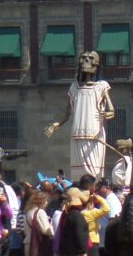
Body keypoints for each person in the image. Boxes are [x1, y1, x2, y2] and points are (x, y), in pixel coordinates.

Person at [45, 50, 116, 180]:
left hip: (94, 133)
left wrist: (106, 114)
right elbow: (67, 114)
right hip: (76, 133)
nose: (86, 61)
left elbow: (112, 111)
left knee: (93, 171)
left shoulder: (101, 86)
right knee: (78, 173)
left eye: (90, 58)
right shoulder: (73, 88)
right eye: (83, 58)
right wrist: (57, 124)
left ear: (96, 64)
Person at [55, 187, 90, 256]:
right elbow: (80, 234)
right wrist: (84, 251)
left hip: (67, 249)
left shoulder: (68, 213)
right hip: (74, 251)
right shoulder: (77, 215)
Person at [21, 190, 54, 256]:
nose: (47, 203)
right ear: (41, 201)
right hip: (38, 246)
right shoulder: (40, 212)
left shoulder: (28, 212)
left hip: (28, 244)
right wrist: (51, 227)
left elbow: (24, 230)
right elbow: (46, 230)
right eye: (46, 201)